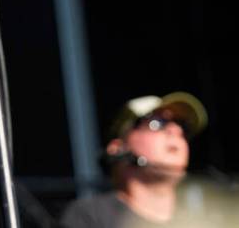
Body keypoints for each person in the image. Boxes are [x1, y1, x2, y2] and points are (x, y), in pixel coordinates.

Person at [59, 92, 208, 228]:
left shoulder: (208, 220)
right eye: (157, 122)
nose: (175, 130)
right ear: (118, 148)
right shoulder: (88, 218)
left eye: (183, 127)